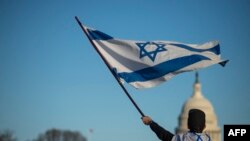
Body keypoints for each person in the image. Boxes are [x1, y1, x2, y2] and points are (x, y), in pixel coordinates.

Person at [142, 108, 211, 141]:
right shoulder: (208, 138)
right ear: (204, 126)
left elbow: (165, 135)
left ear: (187, 125)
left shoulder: (183, 139)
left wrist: (151, 122)